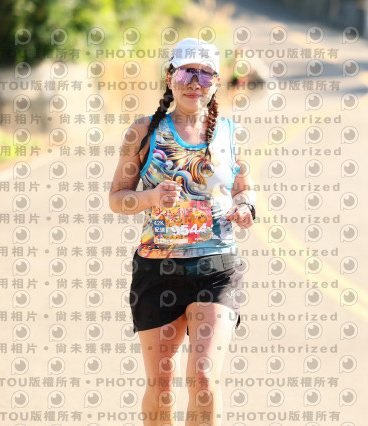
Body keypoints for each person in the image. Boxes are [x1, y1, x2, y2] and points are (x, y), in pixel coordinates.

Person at [109, 37, 256, 426]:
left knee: (204, 378)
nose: (195, 82)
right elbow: (117, 198)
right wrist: (151, 197)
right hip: (158, 269)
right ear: (170, 77)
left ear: (216, 82)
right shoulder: (143, 132)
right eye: (187, 72)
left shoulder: (230, 133)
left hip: (217, 267)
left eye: (205, 75)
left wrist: (246, 208)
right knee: (161, 385)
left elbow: (244, 188)